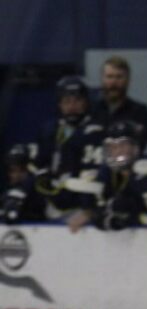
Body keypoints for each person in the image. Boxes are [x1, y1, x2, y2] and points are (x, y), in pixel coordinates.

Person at [65, 120, 147, 233]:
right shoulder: (107, 171)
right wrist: (91, 213)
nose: (117, 152)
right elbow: (104, 206)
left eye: (122, 145)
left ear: (135, 148)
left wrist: (128, 219)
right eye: (112, 147)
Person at [28, 75, 108, 222]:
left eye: (77, 100)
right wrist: (43, 177)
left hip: (82, 210)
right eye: (67, 101)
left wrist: (89, 209)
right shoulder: (49, 130)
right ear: (59, 104)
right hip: (52, 207)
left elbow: (95, 175)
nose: (72, 106)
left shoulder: (95, 132)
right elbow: (38, 165)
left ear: (86, 102)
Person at [92, 55, 147, 153]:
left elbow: (139, 144)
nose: (114, 82)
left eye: (119, 77)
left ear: (128, 80)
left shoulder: (140, 111)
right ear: (102, 79)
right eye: (109, 77)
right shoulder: (91, 110)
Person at [1, 144, 48, 224]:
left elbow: (10, 218)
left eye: (15, 170)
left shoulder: (37, 189)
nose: (12, 175)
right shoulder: (10, 190)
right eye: (11, 171)